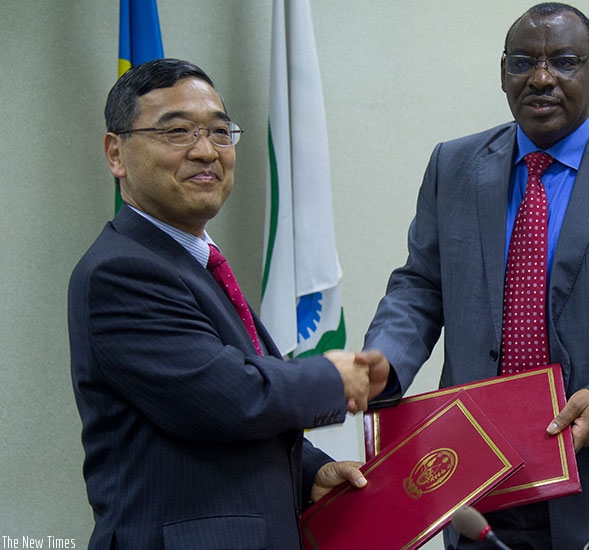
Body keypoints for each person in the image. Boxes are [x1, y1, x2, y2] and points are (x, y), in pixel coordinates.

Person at [364, 3, 589, 549]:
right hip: (477, 478)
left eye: (562, 61)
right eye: (522, 63)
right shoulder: (453, 167)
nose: (540, 79)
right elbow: (420, 286)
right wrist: (384, 362)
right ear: (502, 72)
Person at [68, 58, 388, 549]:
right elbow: (228, 397)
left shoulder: (194, 262)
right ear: (117, 153)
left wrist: (310, 472)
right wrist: (332, 376)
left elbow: (210, 422)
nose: (206, 151)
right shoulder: (122, 271)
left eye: (220, 132)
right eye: (177, 132)